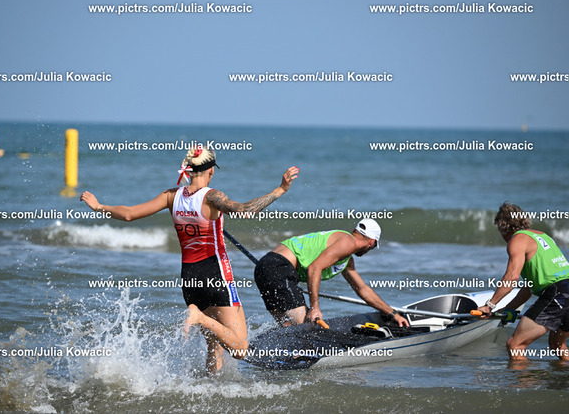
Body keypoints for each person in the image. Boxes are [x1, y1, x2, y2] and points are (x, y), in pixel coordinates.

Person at [80, 146, 299, 374]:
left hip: (189, 278)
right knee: (240, 348)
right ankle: (199, 318)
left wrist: (98, 206)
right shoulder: (212, 196)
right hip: (215, 274)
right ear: (211, 171)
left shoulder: (171, 196)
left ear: (189, 170)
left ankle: (211, 387)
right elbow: (244, 210)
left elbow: (128, 214)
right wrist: (281, 189)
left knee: (215, 343)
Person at [254, 219, 408, 327]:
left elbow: (362, 290)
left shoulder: (344, 254)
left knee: (288, 328)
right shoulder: (348, 242)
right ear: (371, 242)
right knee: (305, 329)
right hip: (279, 268)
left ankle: (284, 359)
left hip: (265, 266)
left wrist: (392, 314)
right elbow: (314, 268)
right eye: (373, 247)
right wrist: (315, 307)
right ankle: (306, 360)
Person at [478, 202, 569, 362]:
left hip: (558, 294)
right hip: (565, 290)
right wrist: (509, 309)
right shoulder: (543, 236)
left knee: (515, 346)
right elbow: (528, 288)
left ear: (502, 226)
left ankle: (525, 379)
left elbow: (512, 277)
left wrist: (490, 305)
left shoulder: (517, 240)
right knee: (558, 345)